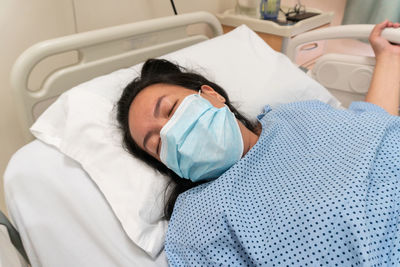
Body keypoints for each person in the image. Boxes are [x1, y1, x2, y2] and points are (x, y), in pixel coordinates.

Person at [117, 21, 400, 265]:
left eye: (169, 109)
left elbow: (371, 130)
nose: (169, 134)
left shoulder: (296, 114)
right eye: (155, 144)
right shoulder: (197, 223)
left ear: (212, 95)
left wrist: (388, 56)